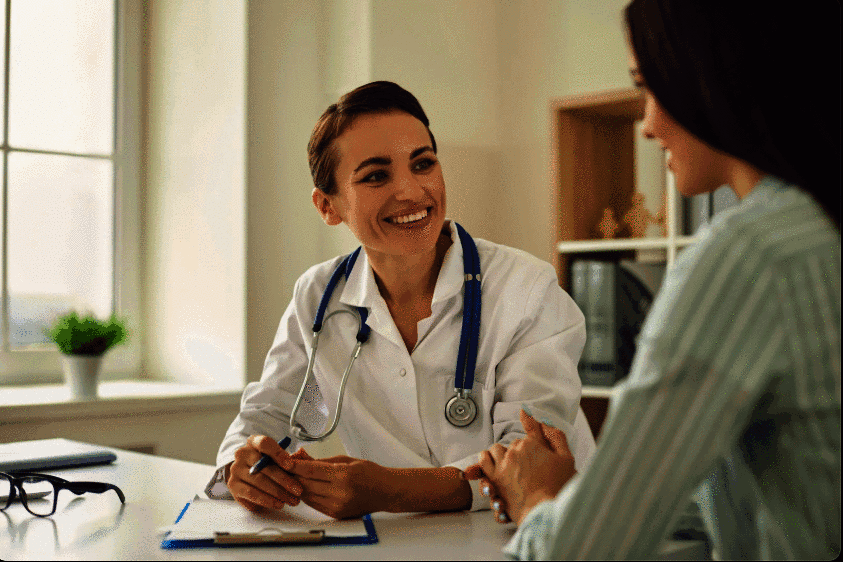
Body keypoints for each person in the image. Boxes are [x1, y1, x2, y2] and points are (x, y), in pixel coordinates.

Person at [467, 0, 841, 559]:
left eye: (651, 87)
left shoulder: (746, 258)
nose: (647, 125)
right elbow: (778, 481)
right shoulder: (815, 232)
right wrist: (591, 495)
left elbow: (582, 551)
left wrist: (541, 501)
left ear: (713, 78)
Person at [205, 81, 596, 519]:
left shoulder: (525, 288)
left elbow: (530, 461)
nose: (411, 191)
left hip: (544, 534)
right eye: (376, 175)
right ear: (327, 206)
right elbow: (269, 415)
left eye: (423, 164)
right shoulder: (318, 296)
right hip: (405, 543)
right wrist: (243, 466)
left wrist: (392, 490)